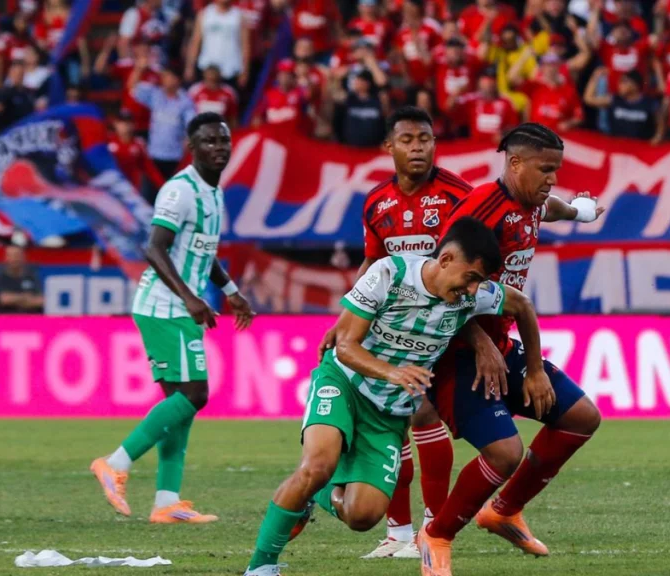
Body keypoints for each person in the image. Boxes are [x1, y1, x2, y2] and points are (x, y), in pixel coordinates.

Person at [243, 217, 544, 576]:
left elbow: (522, 305)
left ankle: (316, 496)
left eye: (479, 282)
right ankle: (261, 567)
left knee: (362, 516)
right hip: (344, 383)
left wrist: (536, 370)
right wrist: (391, 372)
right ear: (446, 259)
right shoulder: (390, 273)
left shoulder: (474, 294)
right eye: (470, 277)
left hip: (389, 412)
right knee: (317, 467)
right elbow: (346, 346)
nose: (472, 289)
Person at [418, 124, 604, 576]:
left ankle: (503, 511)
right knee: (504, 453)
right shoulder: (481, 210)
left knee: (581, 417)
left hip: (501, 344)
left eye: (556, 170)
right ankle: (436, 535)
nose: (552, 180)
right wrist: (480, 342)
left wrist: (579, 212)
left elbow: (551, 207)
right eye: (545, 170)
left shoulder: (533, 202)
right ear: (515, 163)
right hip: (455, 353)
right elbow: (438, 284)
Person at [314, 107, 485, 559]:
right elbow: (372, 262)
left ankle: (431, 526)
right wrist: (344, 319)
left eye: (425, 139)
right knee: (398, 418)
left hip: (442, 326)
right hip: (390, 327)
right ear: (389, 147)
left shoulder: (458, 195)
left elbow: (478, 265)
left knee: (422, 414)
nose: (418, 148)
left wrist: (481, 338)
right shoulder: (377, 202)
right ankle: (399, 532)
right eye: (407, 140)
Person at [89, 112, 256, 524]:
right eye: (209, 141)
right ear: (191, 148)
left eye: (223, 140)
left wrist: (231, 292)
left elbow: (203, 251)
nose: (218, 147)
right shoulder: (180, 191)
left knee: (180, 405)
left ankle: (166, 502)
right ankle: (115, 463)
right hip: (164, 307)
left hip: (180, 306)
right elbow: (154, 247)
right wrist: (190, 298)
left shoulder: (213, 193)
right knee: (196, 394)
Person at [133, 67, 197, 201]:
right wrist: (139, 69)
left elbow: (192, 127)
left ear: (177, 80)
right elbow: (134, 89)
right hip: (153, 156)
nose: (164, 80)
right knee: (147, 197)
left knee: (171, 199)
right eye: (164, 77)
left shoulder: (185, 101)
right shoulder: (155, 95)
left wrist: (188, 142)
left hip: (174, 157)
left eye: (168, 77)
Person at [585, 68, 662, 140]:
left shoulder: (649, 103)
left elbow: (660, 121)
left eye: (624, 82)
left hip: (640, 146)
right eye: (620, 82)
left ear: (635, 85)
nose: (620, 85)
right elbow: (589, 99)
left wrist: (658, 136)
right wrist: (595, 77)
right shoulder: (615, 100)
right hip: (617, 145)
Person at [0, 244, 44, 314]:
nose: (15, 259)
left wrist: (16, 300)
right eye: (11, 256)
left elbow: (41, 300)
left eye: (17, 255)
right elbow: (4, 300)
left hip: (30, 317)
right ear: (6, 258)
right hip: (7, 317)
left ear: (24, 257)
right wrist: (25, 297)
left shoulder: (31, 277)